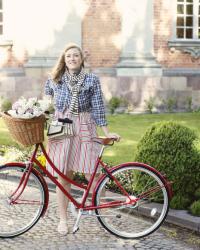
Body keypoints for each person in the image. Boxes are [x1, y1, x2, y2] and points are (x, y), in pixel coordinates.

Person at [44, 43, 120, 235]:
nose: (72, 59)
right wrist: (34, 115)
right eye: (68, 56)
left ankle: (98, 208)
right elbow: (45, 104)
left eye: (75, 55)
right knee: (63, 176)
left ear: (81, 59)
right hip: (61, 125)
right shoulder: (54, 80)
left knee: (92, 174)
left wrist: (106, 130)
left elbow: (98, 108)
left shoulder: (91, 80)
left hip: (85, 125)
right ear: (64, 59)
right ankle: (63, 220)